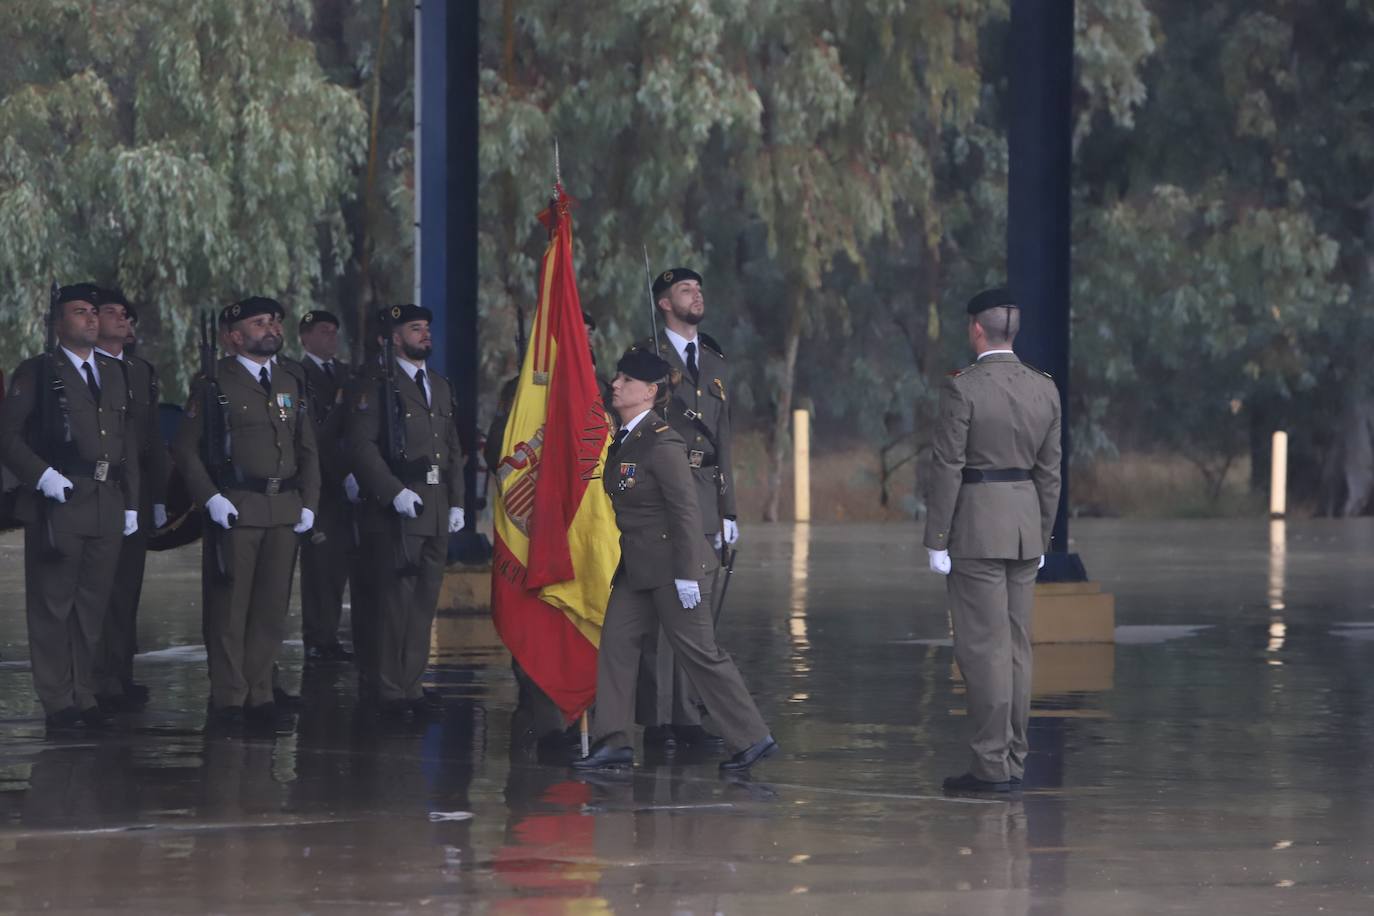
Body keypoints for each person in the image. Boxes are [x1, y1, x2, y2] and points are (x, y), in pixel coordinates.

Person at [573, 348, 775, 772]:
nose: (615, 384)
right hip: (638, 567)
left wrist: (687, 574)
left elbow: (686, 511)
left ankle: (752, 737)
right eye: (617, 378)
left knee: (699, 652)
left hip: (674, 567)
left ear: (648, 391)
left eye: (626, 380)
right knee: (616, 646)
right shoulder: (628, 438)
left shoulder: (662, 441)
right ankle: (614, 742)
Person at [924, 287, 1062, 794]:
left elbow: (948, 467)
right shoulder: (1044, 388)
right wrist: (1043, 531)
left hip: (978, 529)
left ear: (976, 329)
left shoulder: (964, 388)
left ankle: (989, 766)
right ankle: (1014, 758)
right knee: (1017, 649)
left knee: (983, 650)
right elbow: (1050, 472)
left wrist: (937, 537)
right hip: (1026, 527)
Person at [173, 296, 319, 729]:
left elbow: (306, 447)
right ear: (234, 336)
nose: (271, 328)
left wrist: (309, 502)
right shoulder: (214, 382)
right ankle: (229, 698)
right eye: (260, 323)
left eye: (275, 321)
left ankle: (259, 694)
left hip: (283, 508)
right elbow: (184, 447)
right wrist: (211, 498)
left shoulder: (290, 380)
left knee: (271, 611)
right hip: (237, 506)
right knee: (229, 611)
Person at [0, 283, 140, 730]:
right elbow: (7, 437)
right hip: (59, 500)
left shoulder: (113, 372)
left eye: (95, 312)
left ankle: (85, 692)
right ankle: (58, 700)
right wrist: (42, 476)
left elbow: (128, 444)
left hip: (106, 501)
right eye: (81, 312)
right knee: (53, 605)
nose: (92, 319)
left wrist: (132, 502)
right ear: (59, 323)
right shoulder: (37, 371)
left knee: (92, 605)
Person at [633, 267, 738, 750]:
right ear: (664, 304)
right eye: (684, 290)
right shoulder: (646, 359)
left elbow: (726, 442)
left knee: (699, 616)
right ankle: (659, 722)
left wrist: (729, 511)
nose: (696, 295)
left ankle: (688, 716)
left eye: (699, 287)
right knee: (662, 612)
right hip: (662, 492)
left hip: (705, 492)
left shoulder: (714, 361)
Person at [346, 304, 465, 718]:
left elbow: (452, 449)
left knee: (423, 603)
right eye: (415, 330)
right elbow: (361, 446)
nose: (425, 335)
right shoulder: (377, 385)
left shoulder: (439, 384)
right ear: (395, 338)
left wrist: (458, 501)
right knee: (394, 604)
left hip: (434, 507)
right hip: (401, 506)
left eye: (427, 328)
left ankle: (412, 685)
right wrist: (391, 491)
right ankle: (389, 691)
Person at [92, 288, 171, 711]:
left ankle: (120, 675)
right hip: (99, 489)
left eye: (126, 314)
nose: (123, 320)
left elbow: (152, 440)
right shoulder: (86, 369)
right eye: (112, 313)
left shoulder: (141, 371)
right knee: (97, 590)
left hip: (136, 491)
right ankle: (97, 679)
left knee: (127, 587)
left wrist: (157, 497)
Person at [296, 310, 356, 662]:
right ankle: (317, 637)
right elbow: (314, 436)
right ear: (305, 338)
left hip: (348, 480)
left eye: (334, 332)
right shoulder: (299, 375)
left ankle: (330, 634)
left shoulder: (346, 374)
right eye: (323, 332)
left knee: (341, 564)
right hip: (321, 484)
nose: (331, 338)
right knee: (320, 566)